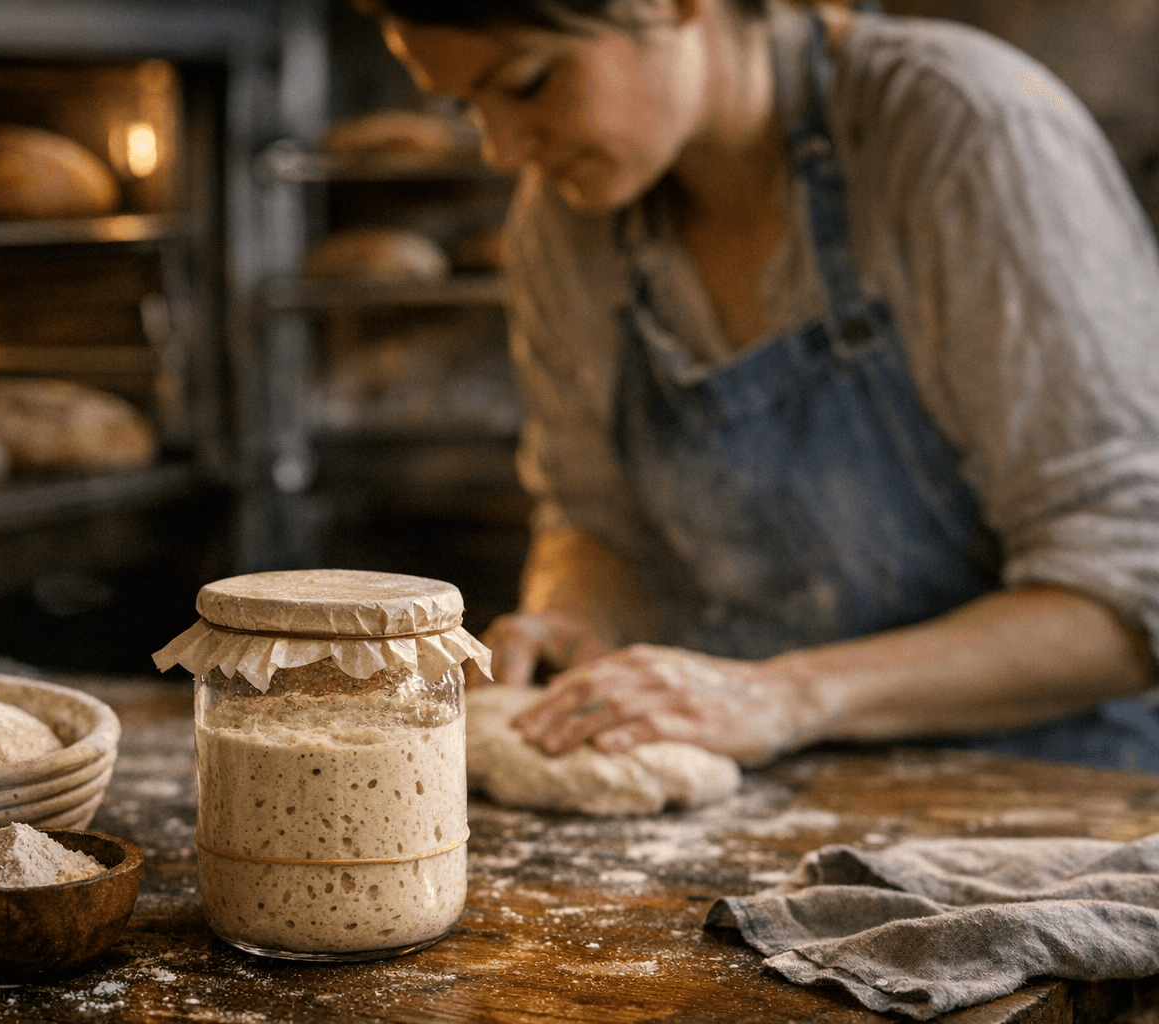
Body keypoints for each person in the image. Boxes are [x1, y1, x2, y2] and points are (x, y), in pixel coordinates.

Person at [356, 0, 1159, 769]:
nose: (501, 149)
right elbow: (600, 523)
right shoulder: (566, 221)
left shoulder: (964, 131)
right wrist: (569, 619)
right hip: (775, 790)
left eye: (528, 81)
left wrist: (785, 697)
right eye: (467, 106)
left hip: (1064, 799)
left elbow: (1130, 591)